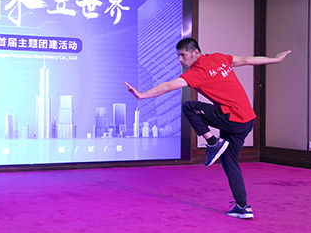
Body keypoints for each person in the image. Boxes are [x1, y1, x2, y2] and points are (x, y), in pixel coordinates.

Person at [124, 38, 290, 219]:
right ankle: (242, 207)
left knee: (189, 107)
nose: (180, 60)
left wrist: (142, 95)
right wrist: (274, 60)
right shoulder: (219, 58)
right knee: (229, 161)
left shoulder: (197, 72)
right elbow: (247, 60)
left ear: (195, 53)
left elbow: (169, 86)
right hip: (247, 119)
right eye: (178, 56)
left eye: (183, 55)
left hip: (232, 118)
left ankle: (213, 143)